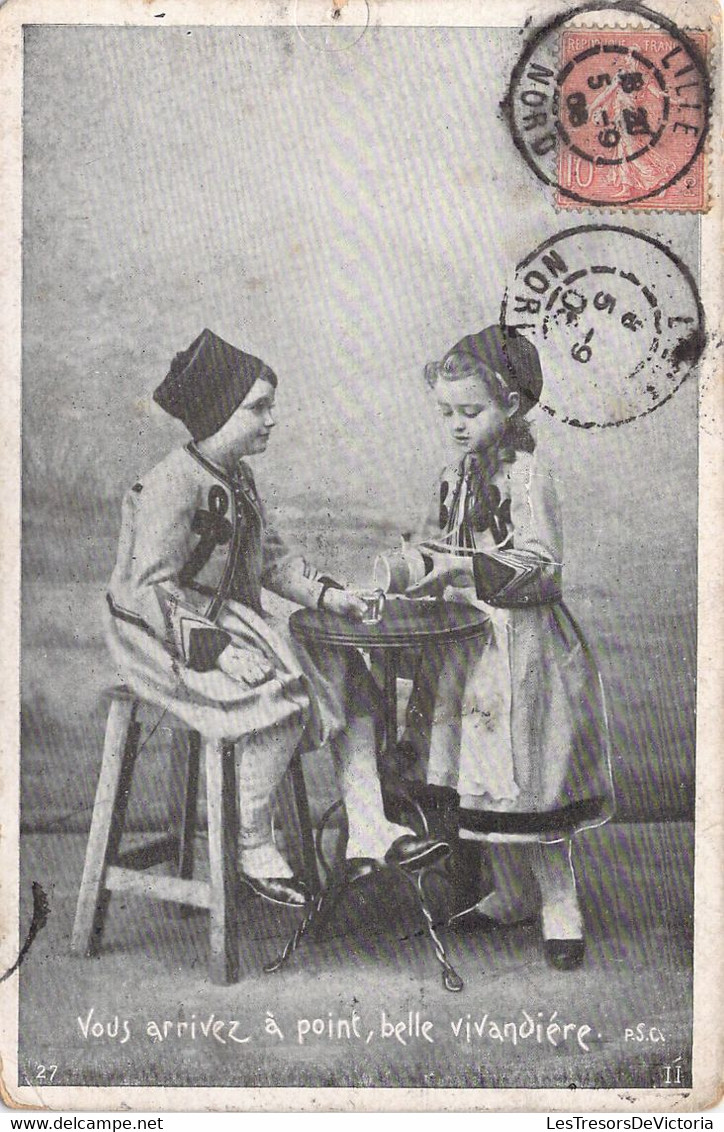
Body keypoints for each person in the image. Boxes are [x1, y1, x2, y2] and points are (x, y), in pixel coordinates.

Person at [106, 328, 447, 908]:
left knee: (349, 673)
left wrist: (327, 597)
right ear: (218, 412)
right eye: (257, 407)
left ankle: (370, 828)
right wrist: (217, 650)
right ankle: (250, 844)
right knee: (280, 697)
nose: (271, 419)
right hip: (163, 631)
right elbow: (148, 590)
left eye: (270, 406)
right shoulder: (170, 484)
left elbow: (269, 559)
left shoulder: (237, 475)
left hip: (231, 618)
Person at [399, 325, 614, 970]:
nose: (458, 425)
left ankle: (559, 901)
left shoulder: (528, 476)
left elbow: (544, 566)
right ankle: (511, 890)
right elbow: (450, 543)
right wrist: (427, 564)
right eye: (447, 413)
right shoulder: (454, 473)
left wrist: (464, 569)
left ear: (513, 407)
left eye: (472, 412)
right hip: (469, 643)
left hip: (520, 649)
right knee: (476, 774)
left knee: (529, 778)